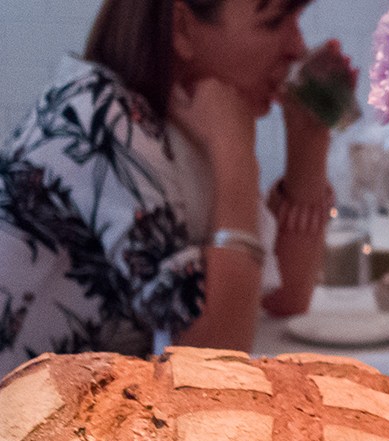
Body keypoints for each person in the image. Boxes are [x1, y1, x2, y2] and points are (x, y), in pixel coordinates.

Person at [0, 0, 351, 372]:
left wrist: (309, 136)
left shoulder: (178, 124)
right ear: (181, 28)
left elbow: (283, 298)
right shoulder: (102, 117)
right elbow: (209, 360)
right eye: (274, 22)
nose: (298, 47)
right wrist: (236, 159)